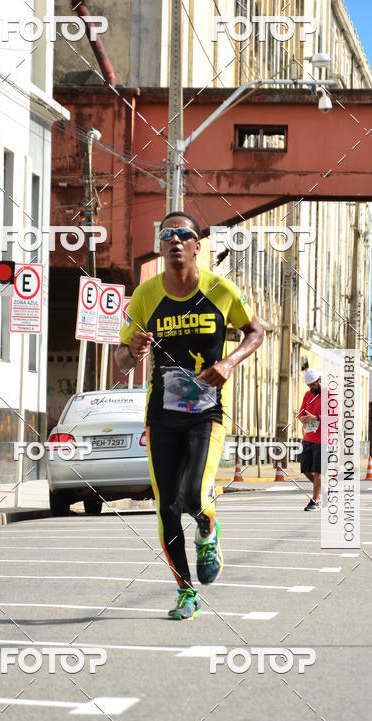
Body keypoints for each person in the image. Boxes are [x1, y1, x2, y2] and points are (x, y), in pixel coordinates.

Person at [115, 211, 264, 620]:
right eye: (167, 235)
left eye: (184, 234)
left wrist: (230, 362)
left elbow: (256, 331)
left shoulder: (220, 288)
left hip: (206, 412)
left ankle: (207, 530)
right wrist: (134, 351)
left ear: (198, 244)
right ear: (160, 246)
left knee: (195, 495)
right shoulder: (144, 296)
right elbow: (120, 361)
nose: (175, 241)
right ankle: (185, 592)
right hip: (161, 414)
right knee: (166, 507)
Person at [298, 369, 321, 511]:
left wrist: (316, 418)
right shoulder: (307, 395)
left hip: (324, 438)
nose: (311, 388)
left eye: (313, 385)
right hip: (309, 436)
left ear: (319, 380)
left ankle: (315, 500)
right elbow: (301, 412)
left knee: (319, 471)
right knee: (305, 469)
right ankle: (322, 489)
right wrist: (303, 419)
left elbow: (335, 417)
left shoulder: (329, 395)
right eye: (309, 386)